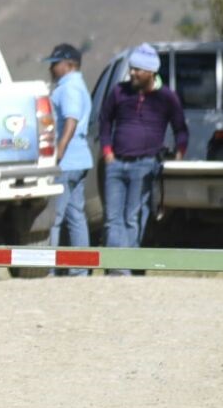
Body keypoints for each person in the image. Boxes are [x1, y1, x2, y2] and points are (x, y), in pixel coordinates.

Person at [99, 43, 188, 275]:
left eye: (137, 69)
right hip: (115, 164)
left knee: (133, 217)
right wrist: (107, 151)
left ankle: (125, 268)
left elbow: (181, 128)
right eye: (132, 68)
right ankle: (116, 270)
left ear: (150, 72)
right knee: (112, 219)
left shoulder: (167, 97)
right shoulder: (119, 92)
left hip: (146, 166)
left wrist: (179, 154)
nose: (132, 73)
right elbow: (105, 121)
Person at [44, 43, 92, 277]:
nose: (52, 68)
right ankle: (80, 269)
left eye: (55, 64)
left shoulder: (70, 87)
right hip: (80, 160)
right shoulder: (77, 85)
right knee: (76, 216)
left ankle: (48, 269)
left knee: (54, 217)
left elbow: (70, 120)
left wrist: (60, 150)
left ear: (69, 65)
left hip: (67, 161)